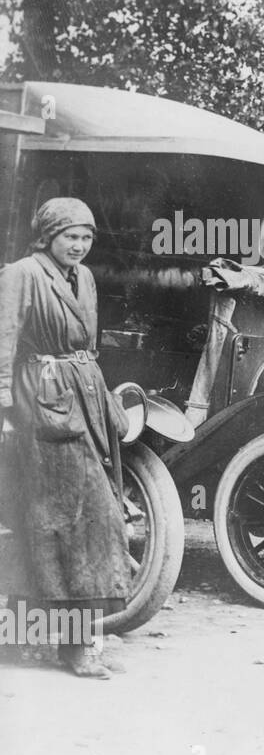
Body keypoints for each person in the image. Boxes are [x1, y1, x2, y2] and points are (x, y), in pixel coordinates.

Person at [0, 198, 132, 679]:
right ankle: (62, 645)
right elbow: (3, 338)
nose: (78, 245)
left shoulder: (86, 279)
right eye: (69, 236)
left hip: (85, 399)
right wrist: (3, 408)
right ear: (47, 235)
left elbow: (86, 347)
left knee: (92, 521)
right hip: (43, 405)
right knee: (52, 522)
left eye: (86, 237)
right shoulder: (22, 273)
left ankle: (70, 641)